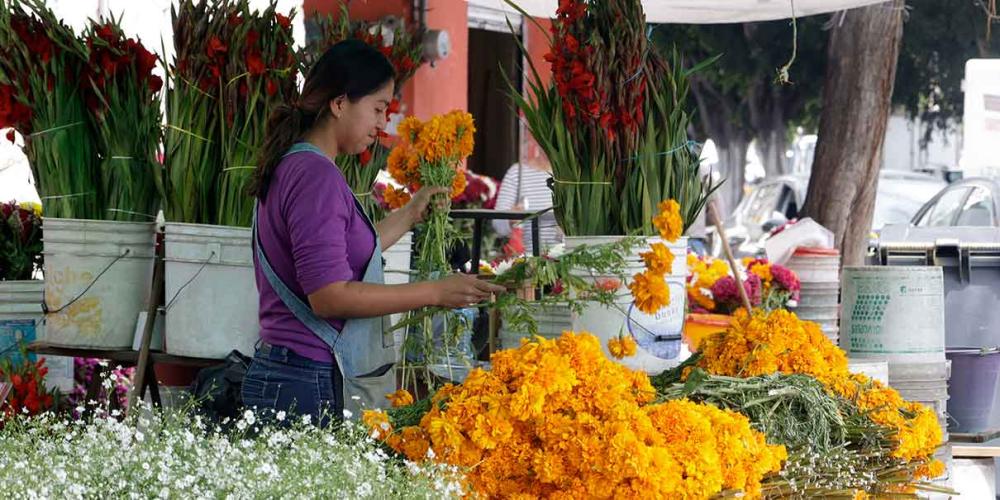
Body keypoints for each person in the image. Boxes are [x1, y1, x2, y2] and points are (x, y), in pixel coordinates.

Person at [242, 40, 504, 424]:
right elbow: (329, 296)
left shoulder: (295, 165)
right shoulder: (316, 176)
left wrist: (410, 213)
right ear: (339, 103)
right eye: (378, 109)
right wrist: (434, 291)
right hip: (311, 379)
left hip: (293, 373)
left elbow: (345, 257)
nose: (383, 124)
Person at [491, 133, 562, 255]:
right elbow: (497, 224)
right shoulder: (517, 173)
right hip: (526, 262)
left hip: (565, 260)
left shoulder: (571, 177)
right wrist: (510, 219)